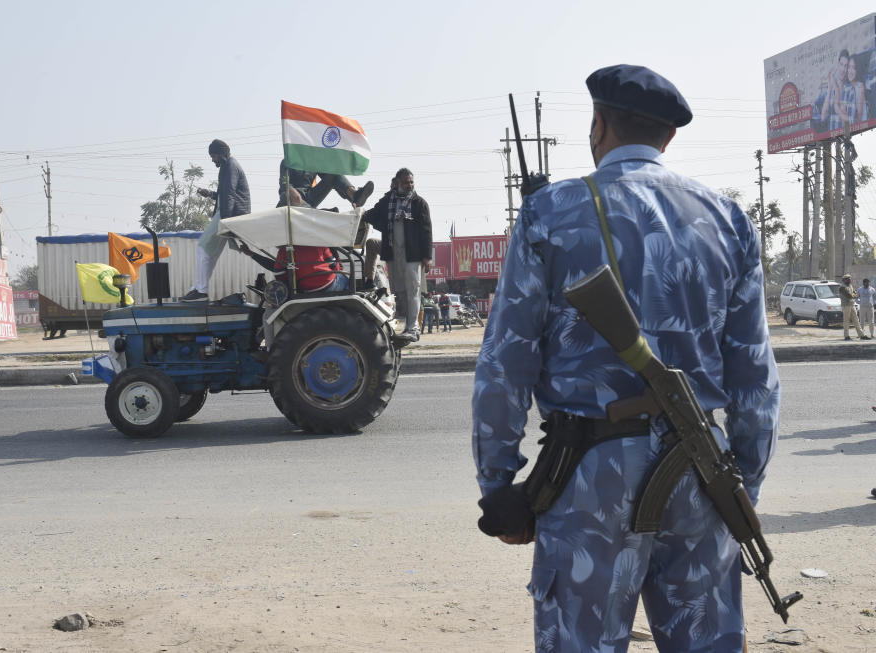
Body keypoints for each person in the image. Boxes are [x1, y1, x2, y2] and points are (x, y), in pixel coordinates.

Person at [472, 64, 780, 651]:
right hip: (700, 476)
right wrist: (740, 485)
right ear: (669, 137)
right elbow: (755, 378)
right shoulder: (728, 220)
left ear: (598, 124)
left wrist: (499, 485)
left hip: (589, 477)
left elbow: (505, 362)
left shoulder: (550, 214)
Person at [361, 168, 433, 341]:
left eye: (411, 182)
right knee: (398, 291)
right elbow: (372, 214)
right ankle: (404, 326)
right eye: (406, 182)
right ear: (397, 184)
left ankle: (413, 328)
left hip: (413, 255)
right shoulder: (389, 201)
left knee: (412, 290)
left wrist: (427, 256)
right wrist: (359, 212)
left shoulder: (419, 203)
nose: (409, 185)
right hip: (393, 253)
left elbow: (426, 231)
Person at [182, 139, 251, 302]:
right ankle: (199, 288)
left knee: (202, 247)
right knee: (211, 253)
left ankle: (200, 290)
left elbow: (229, 195)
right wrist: (210, 194)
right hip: (230, 213)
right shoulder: (230, 166)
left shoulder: (230, 166)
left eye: (213, 156)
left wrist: (226, 222)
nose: (213, 159)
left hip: (228, 214)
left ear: (221, 154)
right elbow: (225, 193)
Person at [278, 159, 374, 209]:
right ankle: (312, 212)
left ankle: (354, 195)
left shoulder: (313, 163)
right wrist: (290, 190)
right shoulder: (287, 161)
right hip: (291, 197)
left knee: (333, 173)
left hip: (310, 196)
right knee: (285, 195)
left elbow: (332, 179)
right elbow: (283, 184)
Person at [839, 273, 866, 340]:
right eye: (848, 279)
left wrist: (854, 295)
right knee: (846, 321)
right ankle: (846, 336)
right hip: (846, 305)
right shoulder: (842, 287)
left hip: (852, 304)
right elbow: (849, 296)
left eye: (850, 279)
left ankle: (861, 335)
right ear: (844, 280)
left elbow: (855, 293)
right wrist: (855, 295)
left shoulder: (850, 285)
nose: (850, 280)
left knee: (856, 320)